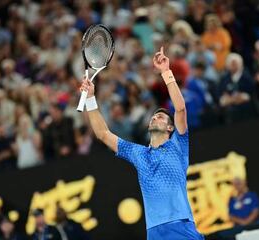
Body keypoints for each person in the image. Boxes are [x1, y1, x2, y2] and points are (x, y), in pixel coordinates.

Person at [80, 47, 204, 240]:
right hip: (154, 232)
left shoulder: (178, 145)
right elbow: (103, 134)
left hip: (180, 226)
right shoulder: (138, 153)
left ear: (171, 128)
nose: (155, 118)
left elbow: (180, 109)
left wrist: (166, 72)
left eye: (161, 117)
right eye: (153, 117)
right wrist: (89, 99)